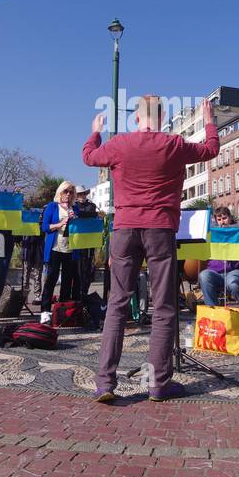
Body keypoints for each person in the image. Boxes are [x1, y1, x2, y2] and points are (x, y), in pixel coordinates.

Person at [82, 95, 219, 403]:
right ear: (162, 118)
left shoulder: (120, 144)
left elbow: (89, 157)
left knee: (117, 303)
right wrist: (209, 120)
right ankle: (159, 383)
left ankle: (105, 383)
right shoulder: (174, 143)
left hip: (125, 228)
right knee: (164, 306)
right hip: (160, 228)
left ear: (135, 119)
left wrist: (95, 132)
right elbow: (211, 150)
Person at [197, 207, 239, 327]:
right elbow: (202, 253)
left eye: (224, 218)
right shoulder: (212, 233)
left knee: (234, 285)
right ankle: (214, 316)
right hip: (216, 273)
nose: (222, 221)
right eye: (219, 219)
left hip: (235, 271)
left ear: (230, 218)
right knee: (203, 276)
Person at [39, 181, 79, 319]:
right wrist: (60, 224)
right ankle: (45, 310)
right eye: (65, 191)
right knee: (51, 279)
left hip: (70, 249)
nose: (68, 194)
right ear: (60, 192)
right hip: (55, 248)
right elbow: (44, 227)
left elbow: (79, 228)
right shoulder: (52, 206)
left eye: (70, 192)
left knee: (67, 281)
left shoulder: (75, 208)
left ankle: (62, 309)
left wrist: (76, 220)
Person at [72, 185, 99, 300]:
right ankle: (77, 292)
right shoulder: (73, 206)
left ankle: (84, 291)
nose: (81, 196)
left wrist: (78, 215)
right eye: (79, 194)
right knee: (76, 267)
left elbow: (90, 214)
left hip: (88, 241)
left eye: (83, 194)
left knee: (87, 267)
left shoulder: (91, 205)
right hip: (76, 241)